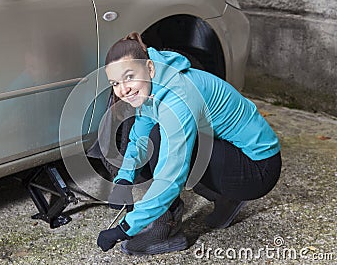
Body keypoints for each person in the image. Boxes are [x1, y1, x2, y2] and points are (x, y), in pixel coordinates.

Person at [96, 32, 282, 255]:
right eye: (115, 83)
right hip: (232, 151)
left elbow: (171, 175)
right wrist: (124, 178)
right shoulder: (155, 83)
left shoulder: (178, 97)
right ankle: (225, 197)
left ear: (150, 68)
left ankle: (167, 233)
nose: (122, 90)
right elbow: (140, 136)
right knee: (154, 134)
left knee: (164, 142)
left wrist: (125, 228)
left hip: (258, 168)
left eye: (129, 77)